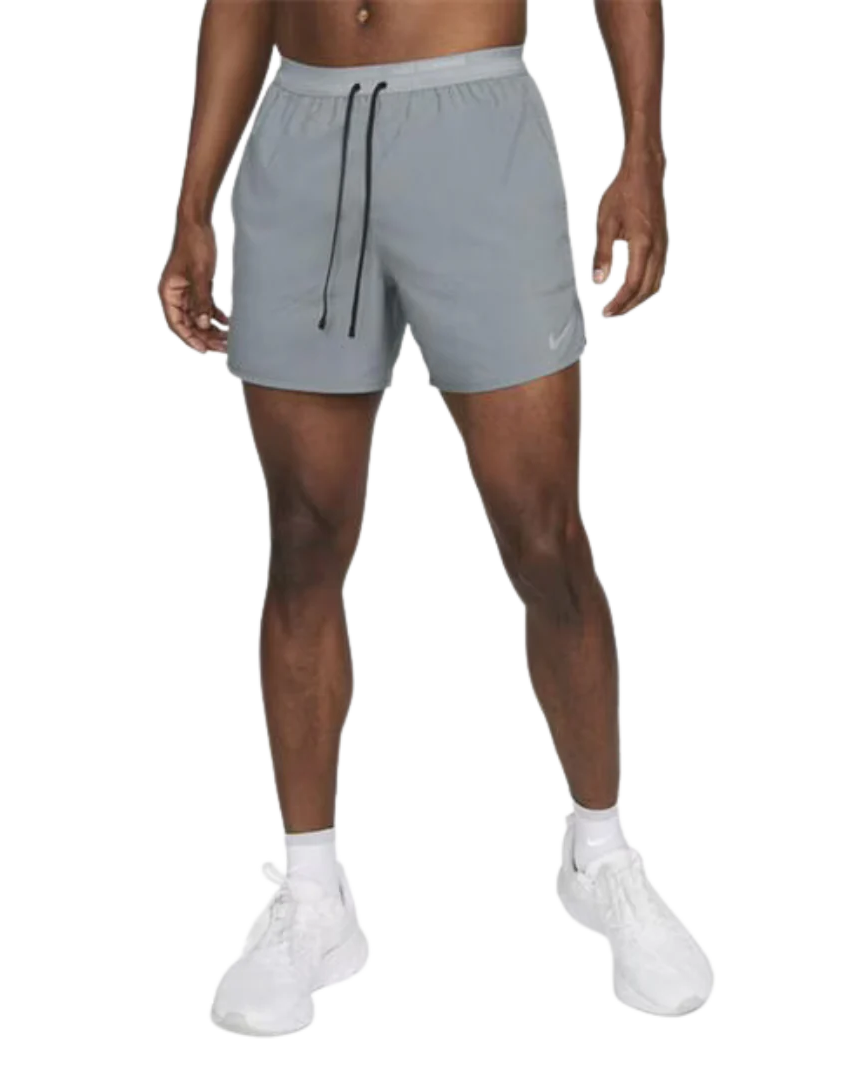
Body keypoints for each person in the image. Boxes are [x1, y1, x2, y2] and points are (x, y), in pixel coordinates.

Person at [160, 1, 709, 1036]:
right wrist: (194, 203)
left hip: (473, 123)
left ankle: (602, 856)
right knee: (303, 535)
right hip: (301, 139)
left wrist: (643, 153)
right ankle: (310, 896)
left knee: (543, 535)